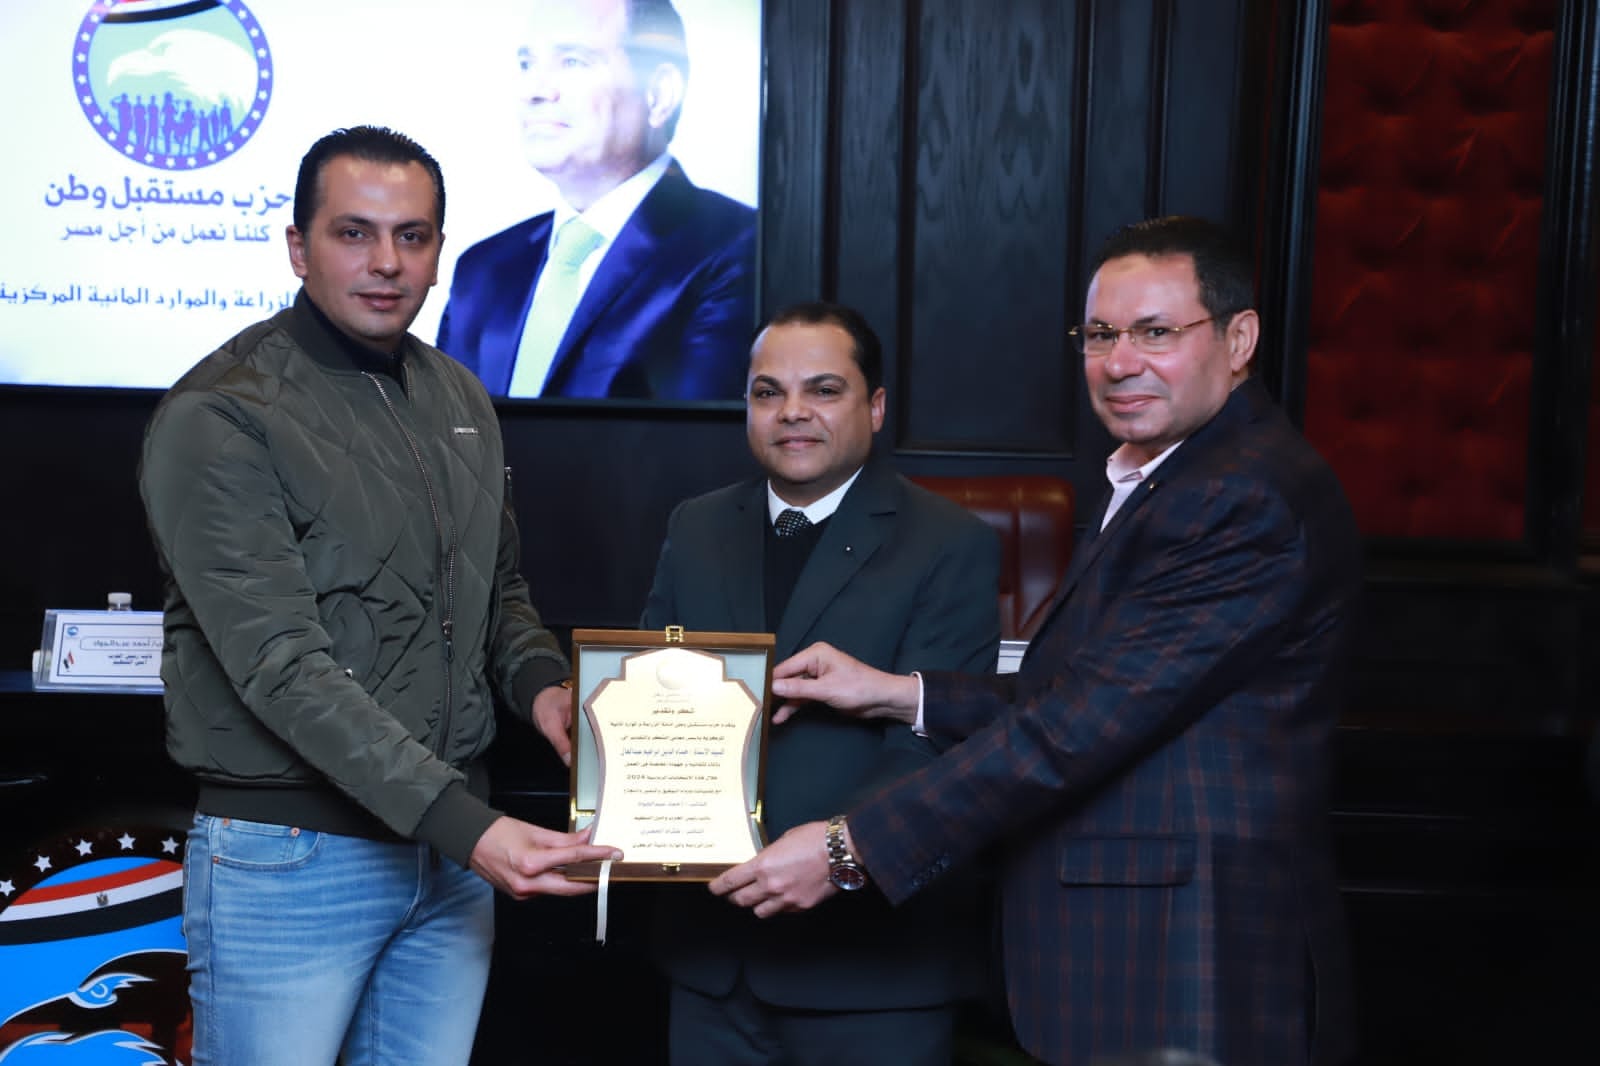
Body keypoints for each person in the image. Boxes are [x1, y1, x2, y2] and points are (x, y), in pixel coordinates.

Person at [710, 217, 1363, 1066]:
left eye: (1155, 332)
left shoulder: (1239, 495)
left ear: (1239, 339)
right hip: (1133, 948)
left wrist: (849, 847)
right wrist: (900, 694)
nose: (1119, 362)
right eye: (1100, 334)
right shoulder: (1173, 475)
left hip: (1183, 952)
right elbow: (1088, 691)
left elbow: (1074, 729)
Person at [138, 125, 620, 1066]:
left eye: (412, 236)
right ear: (298, 247)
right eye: (354, 233)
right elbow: (282, 668)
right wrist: (471, 831)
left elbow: (497, 592)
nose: (387, 262)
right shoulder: (220, 414)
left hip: (448, 857)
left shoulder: (458, 396)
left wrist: (543, 689)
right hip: (296, 854)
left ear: (439, 251)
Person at [551, 302, 1001, 1063]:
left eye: (823, 390)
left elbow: (940, 744)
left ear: (875, 407)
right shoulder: (697, 525)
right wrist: (608, 756)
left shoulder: (949, 542)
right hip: (709, 959)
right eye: (768, 392)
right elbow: (652, 698)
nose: (793, 411)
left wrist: (838, 853)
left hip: (871, 969)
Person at [438, 0, 756, 400]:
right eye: (526, 64)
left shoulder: (738, 248)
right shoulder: (483, 269)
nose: (535, 91)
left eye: (573, 61)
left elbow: (695, 435)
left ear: (659, 94)